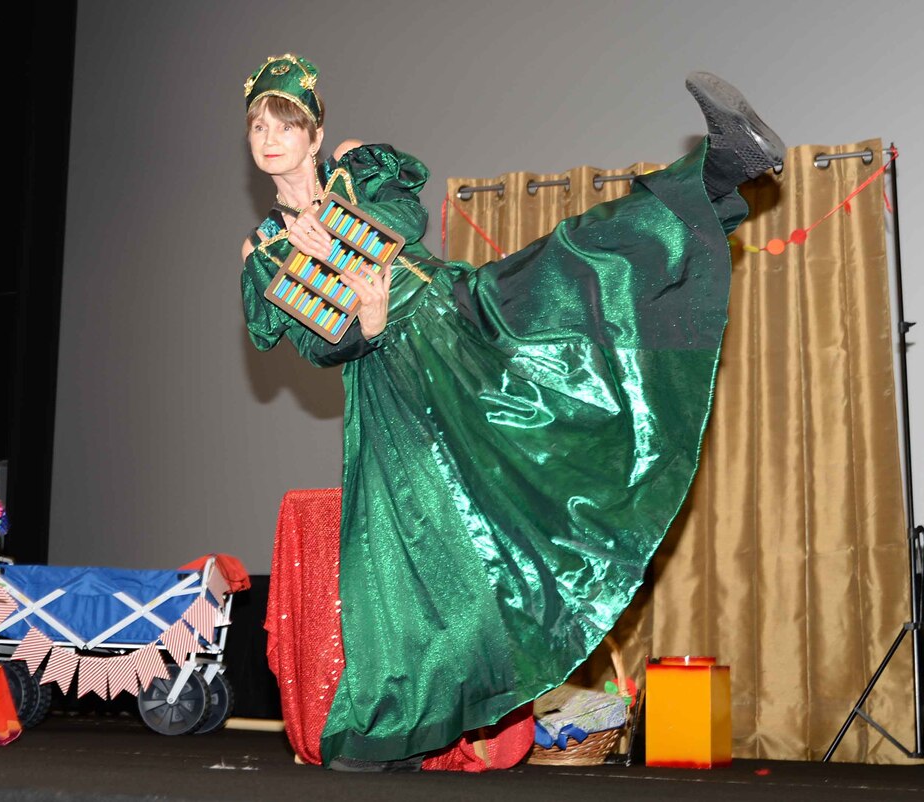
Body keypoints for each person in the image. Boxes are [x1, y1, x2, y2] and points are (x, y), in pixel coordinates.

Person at [241, 53, 783, 770]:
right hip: (394, 387)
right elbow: (319, 344)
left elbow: (403, 214)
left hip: (457, 318)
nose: (272, 136)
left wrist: (344, 231)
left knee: (575, 267)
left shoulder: (356, 173)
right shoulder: (264, 253)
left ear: (315, 136)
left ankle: (720, 169)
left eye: (289, 122)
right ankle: (394, 728)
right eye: (258, 125)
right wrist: (367, 322)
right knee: (405, 561)